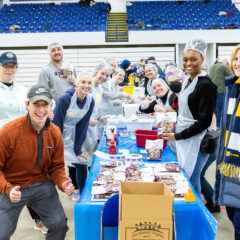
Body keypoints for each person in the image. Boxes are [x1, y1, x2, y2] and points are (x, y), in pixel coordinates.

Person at [0, 84, 74, 240]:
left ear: (51, 106)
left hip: (41, 185)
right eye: (36, 104)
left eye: (45, 104)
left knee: (59, 224)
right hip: (13, 187)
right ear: (27, 105)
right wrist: (7, 189)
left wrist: (63, 182)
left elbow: (57, 166)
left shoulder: (54, 132)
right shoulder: (9, 132)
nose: (41, 110)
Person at [0, 51, 49, 234]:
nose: (9, 69)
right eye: (6, 66)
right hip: (2, 145)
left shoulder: (22, 91)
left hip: (23, 145)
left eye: (12, 66)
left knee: (30, 181)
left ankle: (38, 219)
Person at [162, 39, 217, 196]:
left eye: (193, 59)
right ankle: (198, 215)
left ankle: (194, 217)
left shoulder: (205, 85)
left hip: (198, 141)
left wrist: (177, 136)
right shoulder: (187, 80)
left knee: (188, 185)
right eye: (185, 59)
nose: (188, 63)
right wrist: (174, 116)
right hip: (186, 138)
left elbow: (204, 121)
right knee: (192, 184)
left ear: (202, 59)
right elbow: (187, 110)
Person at [53, 72, 95, 201]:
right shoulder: (65, 99)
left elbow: (82, 126)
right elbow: (56, 124)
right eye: (83, 82)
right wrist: (56, 148)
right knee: (53, 167)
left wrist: (77, 149)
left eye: (89, 83)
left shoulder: (90, 101)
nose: (86, 85)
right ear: (77, 83)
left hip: (72, 134)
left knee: (81, 161)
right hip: (56, 135)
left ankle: (83, 197)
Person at [214, 44, 240, 240]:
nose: (238, 63)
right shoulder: (233, 88)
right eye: (236, 58)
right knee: (233, 218)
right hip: (230, 166)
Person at [209, 57, 232, 127]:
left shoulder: (212, 67)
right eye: (227, 63)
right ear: (224, 62)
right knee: (220, 108)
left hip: (211, 91)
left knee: (212, 110)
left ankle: (212, 125)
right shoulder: (222, 66)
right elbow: (231, 75)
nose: (227, 64)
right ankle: (218, 125)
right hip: (219, 90)